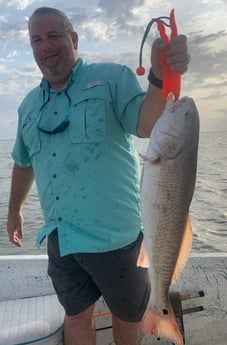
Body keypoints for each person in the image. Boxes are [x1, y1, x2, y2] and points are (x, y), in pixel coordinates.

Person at [7, 6, 190, 345]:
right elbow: (23, 160)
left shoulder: (111, 78)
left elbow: (147, 124)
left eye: (54, 36)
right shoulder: (29, 106)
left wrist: (158, 74)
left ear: (73, 39)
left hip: (116, 239)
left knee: (126, 318)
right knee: (75, 316)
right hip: (61, 237)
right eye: (36, 40)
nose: (45, 46)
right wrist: (15, 209)